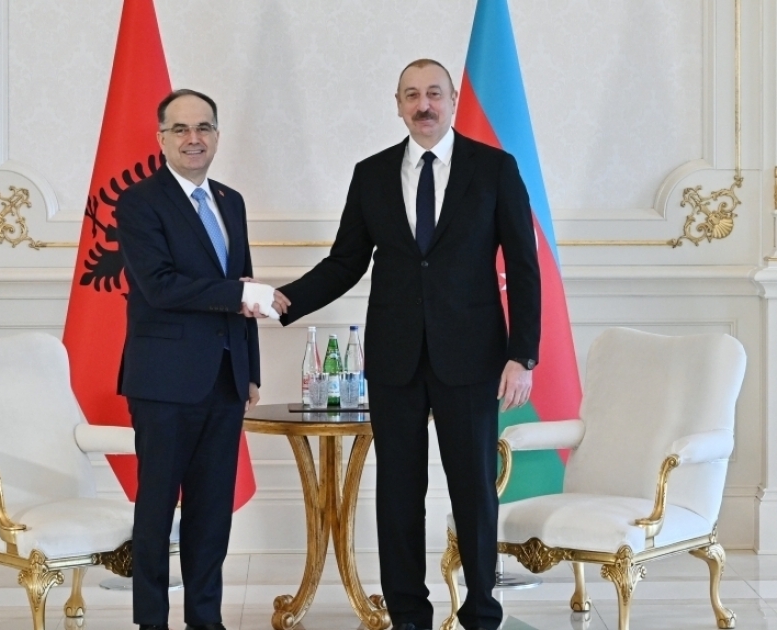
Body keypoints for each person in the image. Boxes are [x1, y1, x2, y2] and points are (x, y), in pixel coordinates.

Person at [275, 59, 541, 630]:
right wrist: (283, 300)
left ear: (453, 102)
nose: (424, 105)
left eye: (435, 94)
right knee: (398, 494)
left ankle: (481, 613)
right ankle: (408, 616)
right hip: (395, 358)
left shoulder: (494, 168)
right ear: (397, 105)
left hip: (472, 357)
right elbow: (345, 262)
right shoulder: (371, 174)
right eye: (412, 95)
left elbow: (523, 266)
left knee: (473, 491)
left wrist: (523, 355)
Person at [117, 89, 281, 630]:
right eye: (181, 129)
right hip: (164, 384)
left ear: (216, 135)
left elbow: (243, 283)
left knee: (212, 514)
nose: (194, 139)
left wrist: (249, 369)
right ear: (161, 138)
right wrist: (240, 294)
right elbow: (161, 287)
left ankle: (206, 620)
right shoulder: (140, 202)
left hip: (226, 381)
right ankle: (152, 621)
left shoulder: (230, 201)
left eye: (204, 127)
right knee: (157, 509)